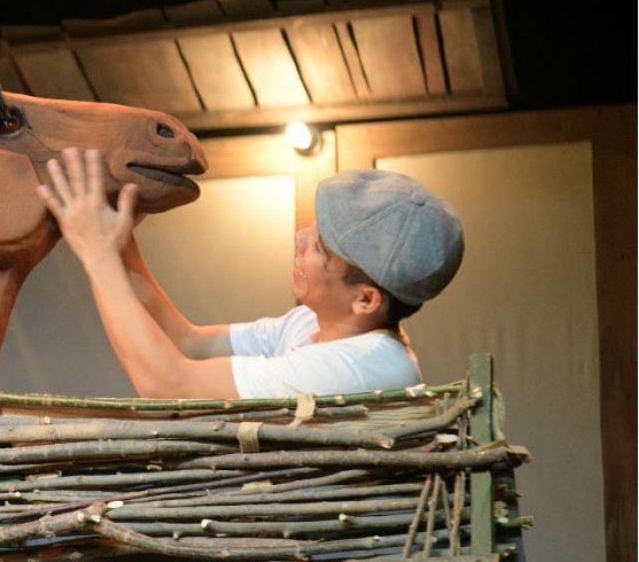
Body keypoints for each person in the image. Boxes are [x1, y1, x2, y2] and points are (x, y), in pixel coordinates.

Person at [35, 148, 463, 399]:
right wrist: (121, 243)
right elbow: (187, 342)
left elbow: (168, 386)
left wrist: (96, 253)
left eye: (321, 249)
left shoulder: (365, 369)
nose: (300, 238)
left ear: (366, 299)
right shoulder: (310, 323)